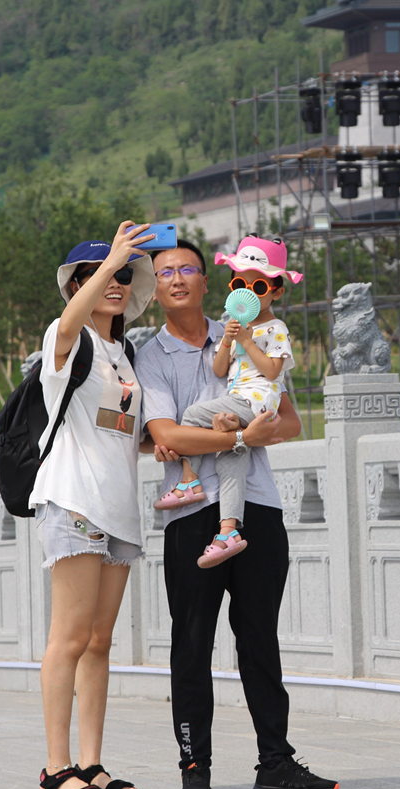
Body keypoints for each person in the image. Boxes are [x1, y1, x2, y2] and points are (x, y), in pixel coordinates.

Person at [134, 238, 339, 789]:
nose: (177, 278)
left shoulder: (255, 328)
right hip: (190, 511)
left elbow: (289, 422)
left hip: (258, 505)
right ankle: (195, 772)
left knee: (260, 640)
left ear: (209, 282)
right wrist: (242, 436)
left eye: (188, 269)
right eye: (165, 272)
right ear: (155, 289)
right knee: (192, 643)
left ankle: (276, 764)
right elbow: (166, 434)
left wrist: (237, 432)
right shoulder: (151, 358)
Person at [29, 221, 156, 789]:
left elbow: (122, 430)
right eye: (98, 275)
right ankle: (56, 771)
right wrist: (109, 261)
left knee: (100, 641)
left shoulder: (124, 354)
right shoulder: (68, 339)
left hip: (119, 509)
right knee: (70, 637)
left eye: (124, 275)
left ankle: (90, 764)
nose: (114, 283)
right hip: (74, 499)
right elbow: (67, 322)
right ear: (76, 284)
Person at [153, 236, 301, 569]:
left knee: (193, 414)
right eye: (239, 285)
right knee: (231, 457)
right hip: (238, 402)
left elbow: (272, 373)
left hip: (255, 402)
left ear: (276, 292)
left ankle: (188, 480)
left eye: (258, 287)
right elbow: (220, 369)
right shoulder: (232, 330)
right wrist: (228, 341)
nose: (248, 292)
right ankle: (228, 531)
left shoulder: (275, 329)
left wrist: (247, 341)